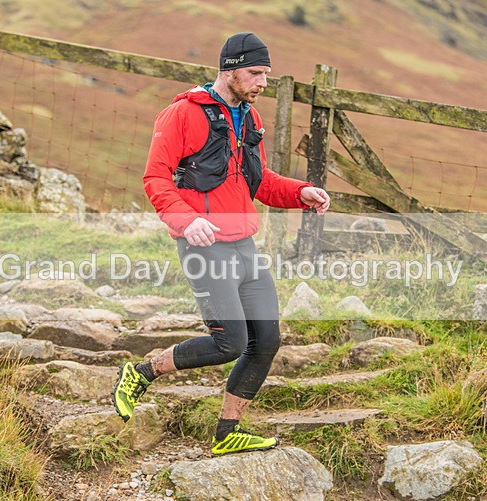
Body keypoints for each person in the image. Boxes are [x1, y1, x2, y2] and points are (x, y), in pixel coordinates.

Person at [112, 32, 330, 456]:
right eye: (256, 73)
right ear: (231, 69)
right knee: (229, 343)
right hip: (204, 247)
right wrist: (185, 219)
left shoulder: (249, 117)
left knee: (266, 340)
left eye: (266, 74)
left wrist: (300, 192)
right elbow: (155, 178)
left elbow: (258, 181)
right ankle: (141, 372)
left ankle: (228, 432)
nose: (263, 82)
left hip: (244, 246)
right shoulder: (181, 114)